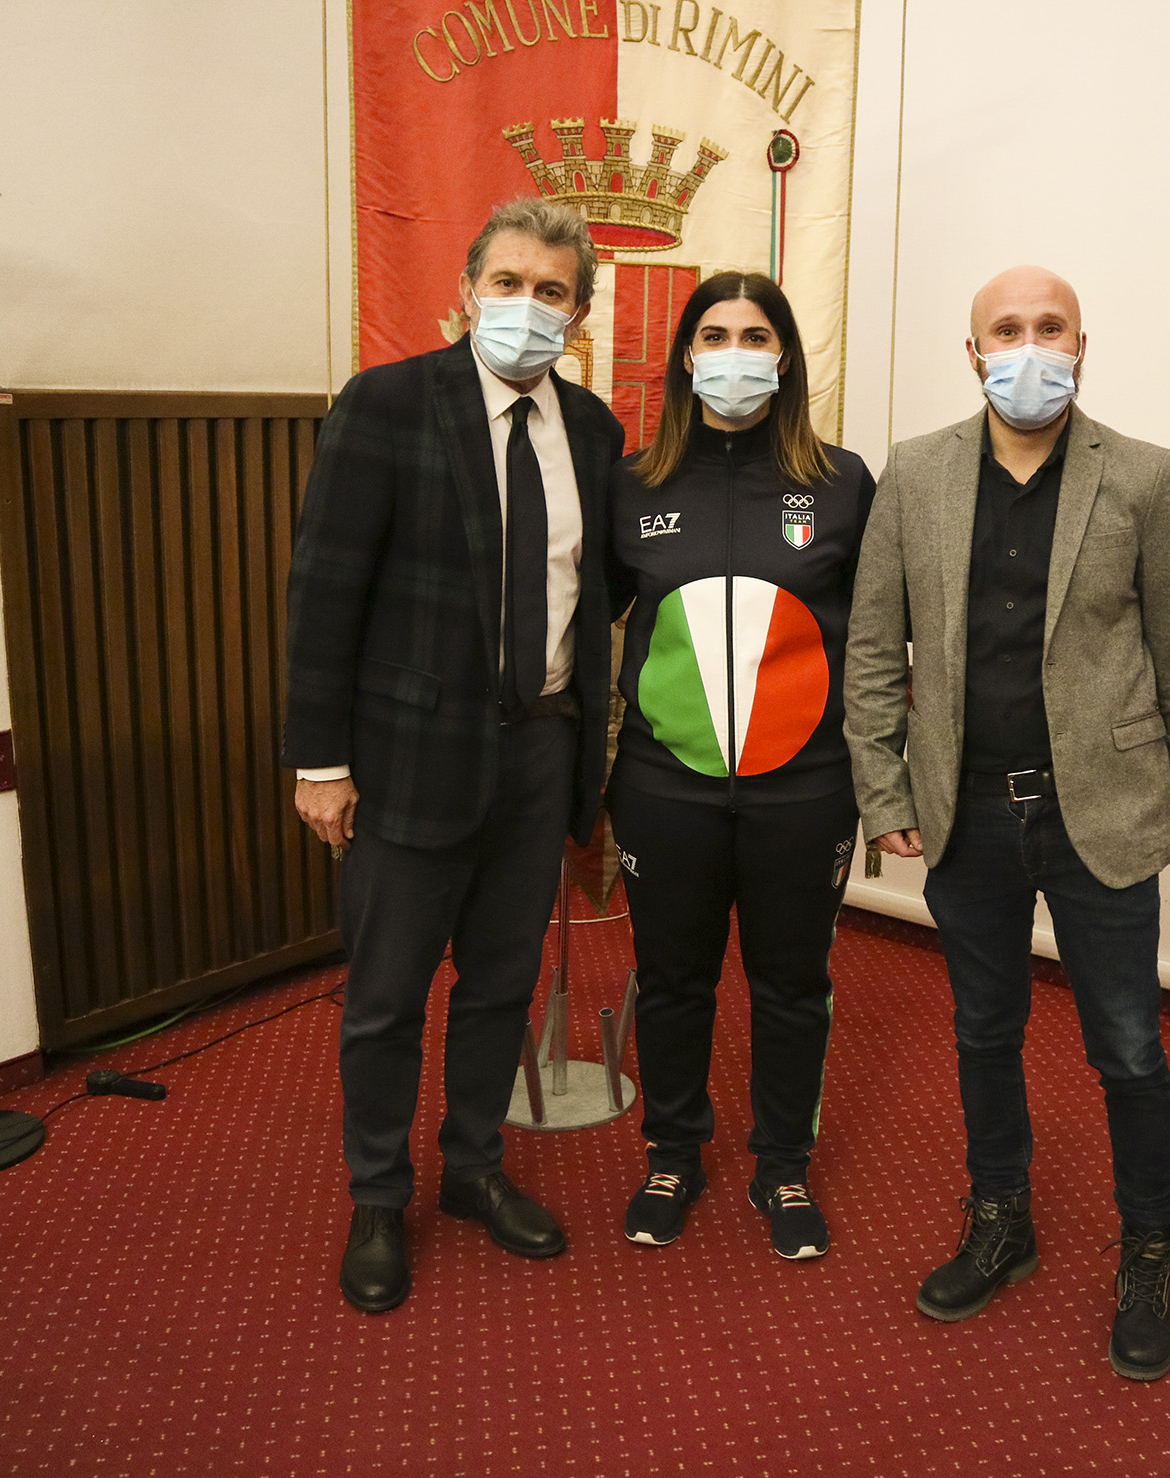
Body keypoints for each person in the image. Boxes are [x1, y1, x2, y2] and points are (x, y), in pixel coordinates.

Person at [843, 265, 1170, 1378]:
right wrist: (885, 793)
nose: (1027, 347)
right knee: (983, 1031)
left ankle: (1146, 1246)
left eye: (1048, 327)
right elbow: (874, 648)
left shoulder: (1141, 476)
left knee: (1127, 1046)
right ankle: (1000, 1218)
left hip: (1101, 810)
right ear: (972, 354)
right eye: (1004, 330)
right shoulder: (914, 474)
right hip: (966, 813)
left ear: (1080, 345)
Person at [283, 198, 625, 1313]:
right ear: (468, 289)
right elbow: (323, 591)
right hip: (408, 760)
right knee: (386, 997)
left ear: (578, 313)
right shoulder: (387, 403)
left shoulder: (594, 431)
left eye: (551, 290)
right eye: (508, 282)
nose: (527, 305)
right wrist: (319, 760)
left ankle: (474, 1166)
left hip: (541, 751)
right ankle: (379, 1196)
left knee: (499, 984)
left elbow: (594, 595)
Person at [606, 271, 875, 1259]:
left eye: (755, 336)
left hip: (804, 789)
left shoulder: (843, 482)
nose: (734, 354)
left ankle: (782, 1164)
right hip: (662, 786)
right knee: (671, 982)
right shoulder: (633, 484)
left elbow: (877, 640)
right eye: (714, 335)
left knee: (790, 985)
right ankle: (672, 1153)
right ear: (686, 357)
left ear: (785, 356)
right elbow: (582, 621)